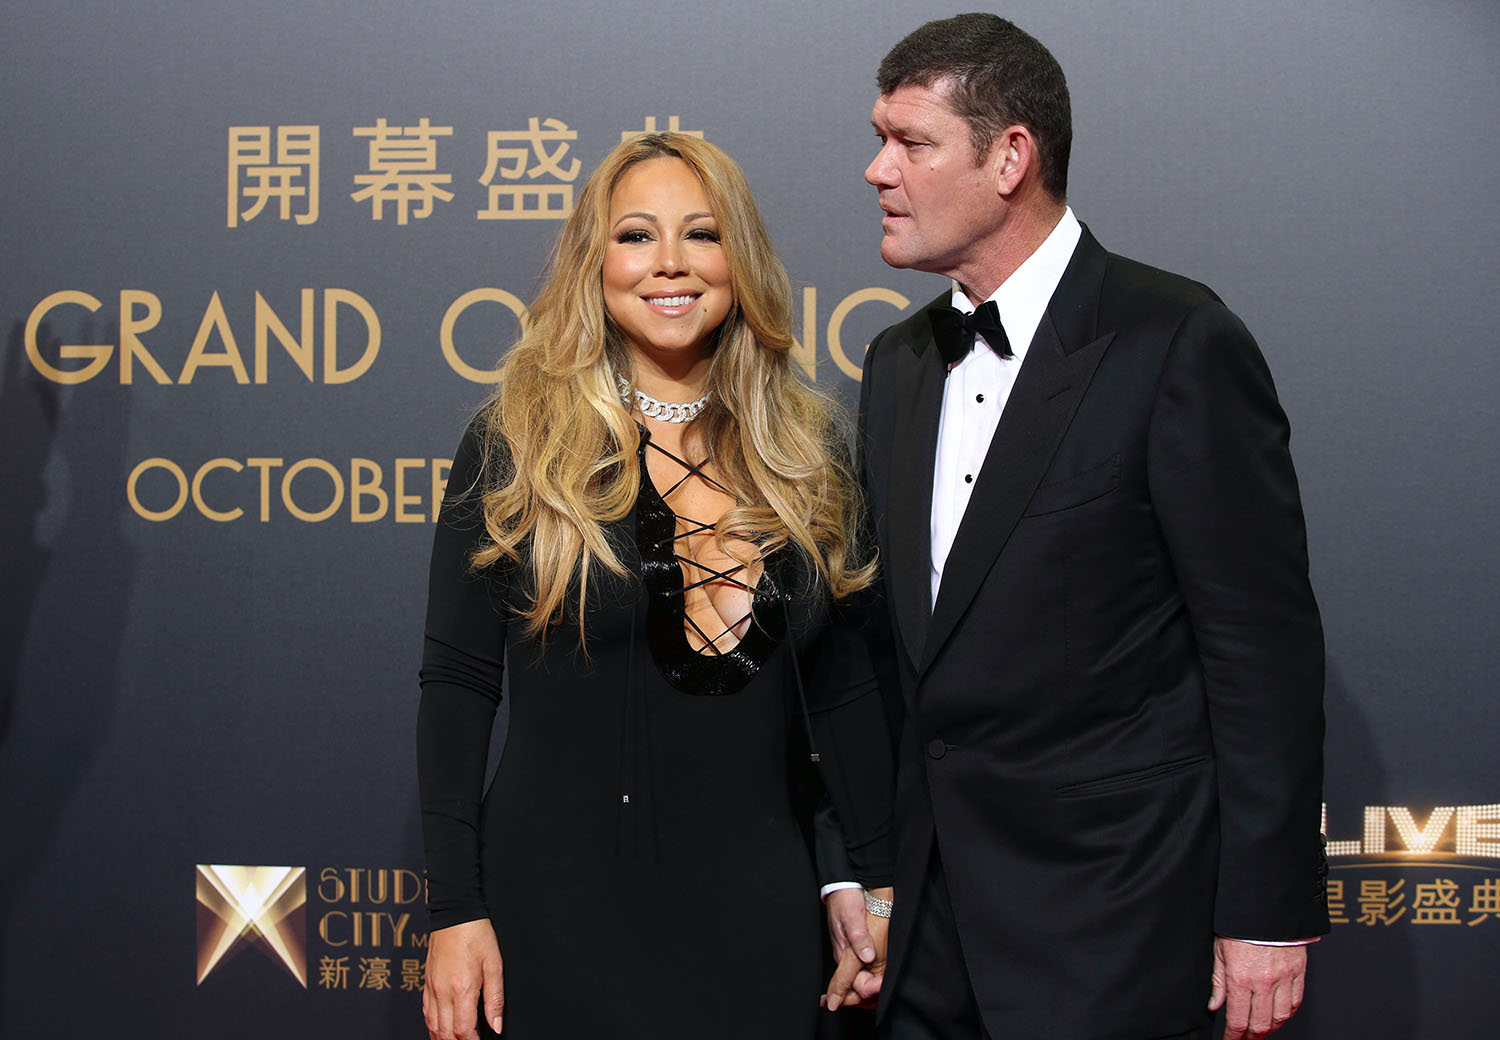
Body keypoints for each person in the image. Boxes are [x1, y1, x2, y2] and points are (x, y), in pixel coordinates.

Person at [822, 14, 1329, 1040]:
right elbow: (883, 654)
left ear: (1011, 157)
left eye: (911, 142)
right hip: (926, 937)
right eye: (880, 139)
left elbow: (1260, 651)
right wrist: (864, 868)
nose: (878, 170)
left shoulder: (1175, 341)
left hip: (1114, 923)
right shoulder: (898, 363)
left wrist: (1266, 911)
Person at [415, 132, 895, 1040]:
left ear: (739, 260)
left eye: (701, 234)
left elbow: (843, 690)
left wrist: (875, 879)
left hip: (758, 920)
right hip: (554, 918)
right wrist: (454, 910)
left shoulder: (806, 449)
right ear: (593, 263)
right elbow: (457, 687)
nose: (670, 262)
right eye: (636, 235)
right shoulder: (518, 443)